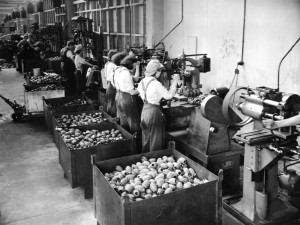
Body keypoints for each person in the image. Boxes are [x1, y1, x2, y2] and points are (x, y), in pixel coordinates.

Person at [137, 59, 181, 152]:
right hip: (154, 114)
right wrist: (175, 81)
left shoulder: (142, 82)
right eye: (159, 71)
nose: (160, 73)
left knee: (147, 139)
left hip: (145, 112)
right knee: (156, 141)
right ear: (156, 72)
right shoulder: (156, 84)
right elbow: (168, 96)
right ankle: (155, 159)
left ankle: (145, 160)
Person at [114, 55, 141, 135]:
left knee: (124, 121)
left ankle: (126, 138)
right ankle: (136, 141)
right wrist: (143, 89)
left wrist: (138, 67)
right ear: (130, 64)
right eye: (135, 64)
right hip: (126, 98)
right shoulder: (126, 74)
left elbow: (136, 79)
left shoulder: (119, 70)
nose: (135, 66)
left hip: (118, 96)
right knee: (133, 122)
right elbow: (132, 92)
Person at [104, 50, 118, 116]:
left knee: (109, 103)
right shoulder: (113, 65)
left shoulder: (107, 64)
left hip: (108, 84)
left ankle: (108, 118)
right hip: (112, 85)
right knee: (111, 103)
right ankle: (110, 118)